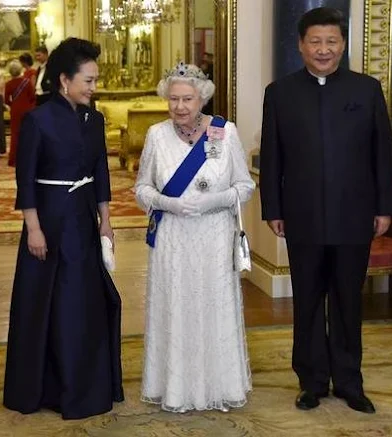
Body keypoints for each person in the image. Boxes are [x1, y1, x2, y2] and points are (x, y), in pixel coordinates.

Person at [259, 7, 392, 414]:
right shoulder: (280, 93)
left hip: (355, 216)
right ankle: (311, 382)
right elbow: (273, 158)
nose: (324, 50)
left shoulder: (366, 90)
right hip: (301, 217)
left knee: (347, 302)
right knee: (306, 302)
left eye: (331, 41)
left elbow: (382, 156)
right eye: (315, 42)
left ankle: (350, 382)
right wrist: (274, 207)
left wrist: (384, 207)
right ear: (301, 45)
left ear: (343, 44)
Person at [3, 37, 124, 419]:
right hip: (49, 221)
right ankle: (49, 387)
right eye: (87, 80)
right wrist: (33, 229)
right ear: (63, 81)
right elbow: (26, 180)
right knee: (50, 304)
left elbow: (101, 173)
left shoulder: (95, 118)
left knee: (84, 302)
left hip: (83, 220)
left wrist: (105, 221)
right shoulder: (37, 120)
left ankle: (88, 384)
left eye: (95, 79)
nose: (94, 87)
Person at [135, 62, 255, 413]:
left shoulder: (225, 132)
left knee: (212, 306)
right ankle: (174, 388)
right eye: (173, 99)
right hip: (173, 237)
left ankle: (219, 384)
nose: (180, 107)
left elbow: (245, 186)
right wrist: (166, 202)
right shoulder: (157, 135)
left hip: (214, 236)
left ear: (202, 98)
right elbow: (142, 188)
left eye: (187, 99)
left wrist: (213, 200)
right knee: (176, 306)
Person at [4, 60, 36, 167]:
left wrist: (13, 104)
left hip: (15, 111)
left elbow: (6, 100)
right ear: (20, 70)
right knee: (28, 134)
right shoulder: (27, 82)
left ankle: (13, 160)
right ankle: (27, 159)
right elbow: (32, 97)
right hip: (27, 110)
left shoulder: (8, 84)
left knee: (15, 135)